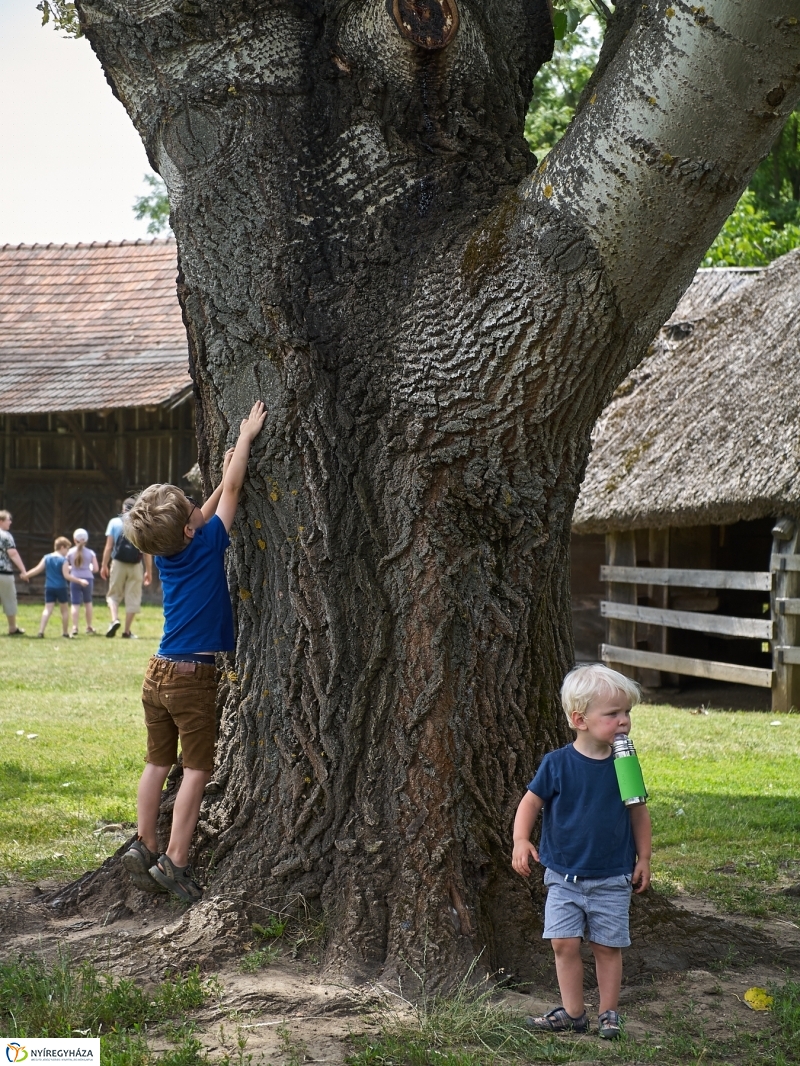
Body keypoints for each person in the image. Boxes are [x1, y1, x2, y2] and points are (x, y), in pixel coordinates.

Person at [120, 400, 267, 904]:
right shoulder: (205, 545)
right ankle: (176, 860)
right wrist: (244, 442)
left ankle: (144, 844)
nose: (194, 509)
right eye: (188, 507)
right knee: (197, 769)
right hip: (191, 677)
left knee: (156, 764)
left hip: (156, 674)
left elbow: (202, 512)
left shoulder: (169, 554)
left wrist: (226, 463)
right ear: (188, 530)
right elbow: (229, 494)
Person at [511, 663, 652, 1041]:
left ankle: (609, 1013)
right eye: (613, 714)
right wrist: (521, 840)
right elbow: (530, 803)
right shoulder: (557, 763)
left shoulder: (625, 765)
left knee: (608, 946)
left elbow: (638, 813)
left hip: (611, 876)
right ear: (580, 719)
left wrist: (645, 858)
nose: (623, 721)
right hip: (563, 875)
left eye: (627, 714)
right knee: (563, 943)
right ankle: (573, 1013)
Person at [101, 498, 153, 639]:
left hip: (118, 563)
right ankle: (127, 631)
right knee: (133, 597)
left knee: (113, 594)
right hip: (136, 565)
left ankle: (114, 620)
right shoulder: (141, 524)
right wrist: (149, 571)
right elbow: (146, 551)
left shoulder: (114, 522)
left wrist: (104, 565)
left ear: (123, 508)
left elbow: (109, 546)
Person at [24, 537, 90, 638]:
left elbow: (37, 569)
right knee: (64, 610)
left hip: (49, 587)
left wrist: (26, 575)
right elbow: (66, 576)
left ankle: (41, 632)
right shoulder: (63, 560)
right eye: (67, 549)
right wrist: (80, 580)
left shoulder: (46, 557)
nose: (67, 552)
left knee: (47, 610)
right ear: (62, 547)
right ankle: (65, 633)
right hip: (61, 588)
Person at [0, 510, 29, 635]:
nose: (10, 522)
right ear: (1, 521)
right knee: (9, 599)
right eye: (8, 520)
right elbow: (13, 554)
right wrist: (23, 571)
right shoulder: (6, 536)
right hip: (4, 573)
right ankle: (12, 628)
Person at [67, 529, 99, 636]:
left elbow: (65, 567)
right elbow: (95, 569)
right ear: (86, 540)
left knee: (75, 603)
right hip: (88, 579)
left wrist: (72, 568)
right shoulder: (90, 553)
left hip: (74, 579)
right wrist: (88, 568)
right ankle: (89, 626)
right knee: (88, 603)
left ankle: (75, 627)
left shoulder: (70, 552)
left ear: (74, 539)